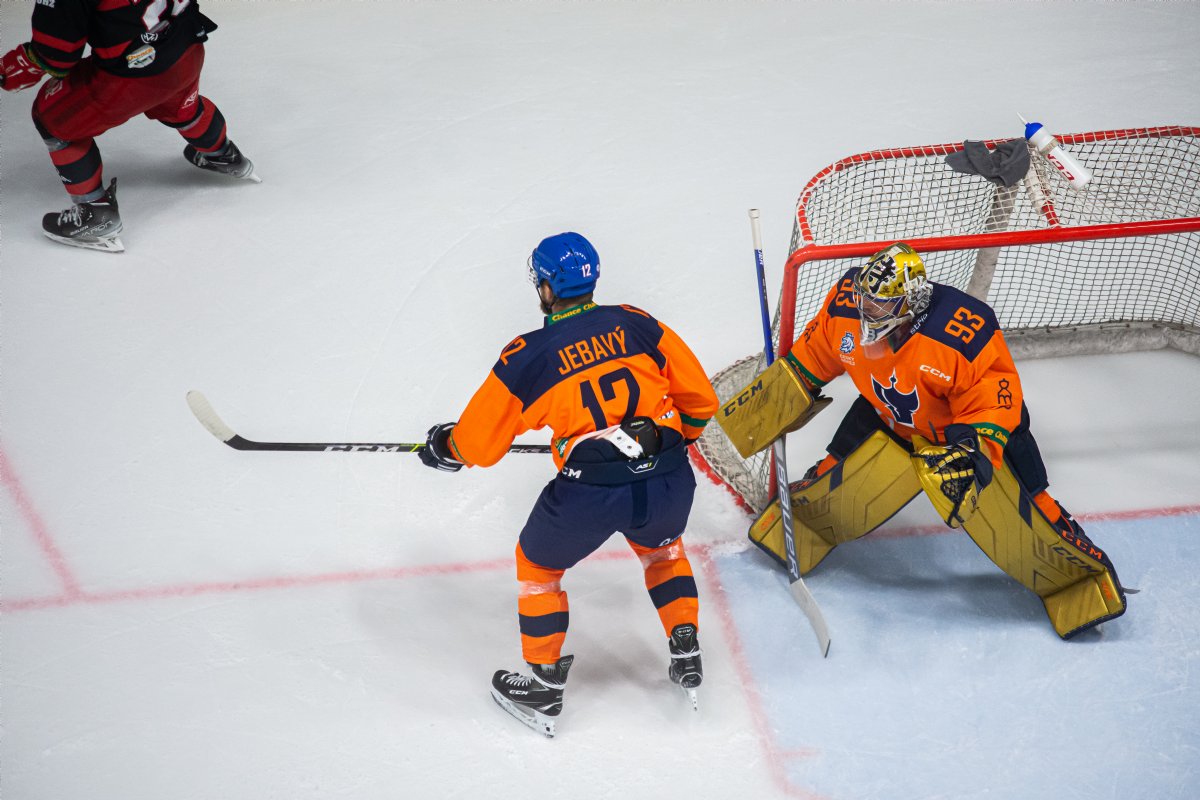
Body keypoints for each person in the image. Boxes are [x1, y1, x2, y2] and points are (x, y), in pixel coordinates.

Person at [719, 242, 1127, 639]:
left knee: (1029, 517)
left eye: (880, 304)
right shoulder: (847, 306)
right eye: (865, 298)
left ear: (910, 302)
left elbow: (993, 397)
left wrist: (976, 452)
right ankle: (803, 528)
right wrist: (784, 392)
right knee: (830, 484)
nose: (866, 309)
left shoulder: (962, 330)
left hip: (960, 439)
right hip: (888, 417)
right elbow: (814, 355)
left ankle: (1079, 580)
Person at [418, 232, 719, 737]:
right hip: (668, 481)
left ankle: (543, 685)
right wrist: (655, 447)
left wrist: (446, 446)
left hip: (591, 493)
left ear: (546, 288)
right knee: (663, 550)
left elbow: (479, 446)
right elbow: (701, 402)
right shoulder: (638, 323)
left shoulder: (528, 355)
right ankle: (685, 646)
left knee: (538, 566)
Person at [1, 0, 257, 253]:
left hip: (135, 76)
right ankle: (223, 154)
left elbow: (56, 53)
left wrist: (19, 64)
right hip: (186, 48)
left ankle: (96, 215)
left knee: (52, 117)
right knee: (181, 108)